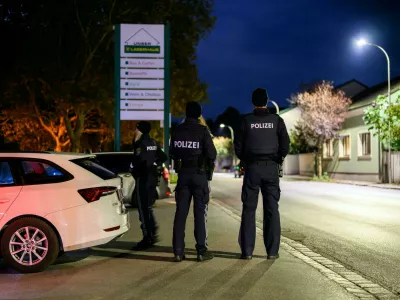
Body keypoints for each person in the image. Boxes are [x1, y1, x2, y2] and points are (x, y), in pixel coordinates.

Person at [234, 88, 290, 260]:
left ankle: (247, 251)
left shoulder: (245, 121)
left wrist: (246, 160)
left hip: (252, 169)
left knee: (249, 210)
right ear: (266, 101)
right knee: (272, 210)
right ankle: (272, 251)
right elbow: (285, 145)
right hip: (271, 169)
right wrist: (277, 159)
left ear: (253, 102)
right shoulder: (277, 121)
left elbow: (238, 147)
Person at [170, 101, 217, 262]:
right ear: (198, 114)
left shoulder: (177, 130)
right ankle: (201, 251)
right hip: (199, 175)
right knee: (199, 214)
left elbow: (173, 152)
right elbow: (212, 153)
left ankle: (177, 251)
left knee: (180, 214)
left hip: (183, 175)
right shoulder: (202, 131)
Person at [130, 121, 167, 250]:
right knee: (148, 207)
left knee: (143, 209)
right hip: (151, 178)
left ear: (140, 130)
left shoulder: (140, 144)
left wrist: (136, 171)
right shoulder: (153, 143)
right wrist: (153, 163)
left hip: (143, 178)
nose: (135, 131)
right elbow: (163, 157)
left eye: (137, 129)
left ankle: (148, 237)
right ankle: (152, 232)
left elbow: (137, 161)